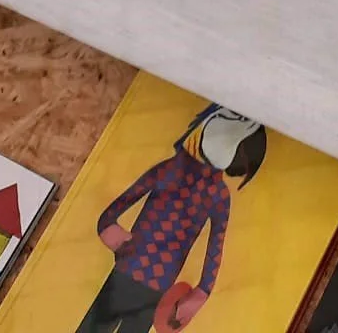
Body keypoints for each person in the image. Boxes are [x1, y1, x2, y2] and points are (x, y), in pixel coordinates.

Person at [76, 107, 266, 333]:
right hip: (133, 272)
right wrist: (108, 227)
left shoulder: (215, 194)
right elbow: (120, 205)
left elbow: (214, 249)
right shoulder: (177, 173)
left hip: (152, 283)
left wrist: (201, 292)